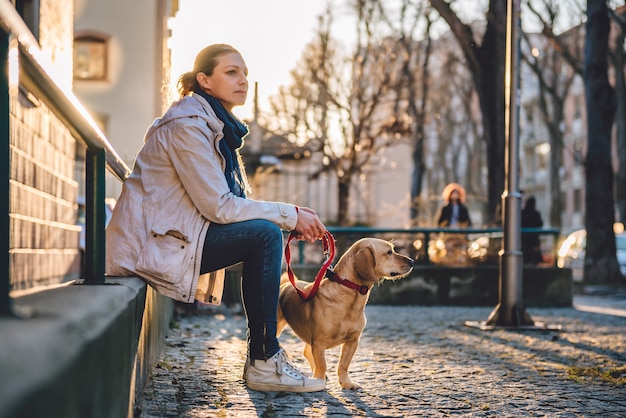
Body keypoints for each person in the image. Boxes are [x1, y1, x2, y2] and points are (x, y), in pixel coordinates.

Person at [105, 44, 327, 393]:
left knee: (264, 233)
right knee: (265, 235)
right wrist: (290, 214)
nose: (243, 80)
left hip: (171, 237)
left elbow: (226, 208)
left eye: (245, 74)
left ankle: (264, 360)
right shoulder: (187, 127)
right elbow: (220, 207)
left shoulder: (215, 128)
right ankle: (265, 360)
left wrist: (288, 216)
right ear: (204, 80)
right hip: (150, 245)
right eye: (231, 72)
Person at [521, 195, 544, 265]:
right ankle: (534, 262)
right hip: (533, 238)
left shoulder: (523, 213)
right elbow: (540, 224)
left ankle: (526, 262)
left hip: (525, 238)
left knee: (526, 250)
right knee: (534, 251)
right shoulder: (536, 213)